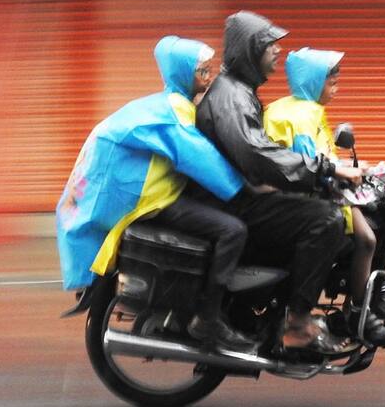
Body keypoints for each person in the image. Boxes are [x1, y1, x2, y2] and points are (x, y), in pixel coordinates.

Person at [56, 35, 256, 353]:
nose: (209, 75)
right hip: (153, 201)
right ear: (182, 74)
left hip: (158, 193)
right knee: (232, 230)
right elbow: (200, 157)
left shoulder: (165, 104)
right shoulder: (173, 113)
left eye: (209, 69)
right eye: (202, 71)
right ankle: (209, 319)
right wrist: (244, 184)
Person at [189, 11, 363, 354]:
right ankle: (296, 325)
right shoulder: (231, 97)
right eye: (269, 46)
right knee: (324, 220)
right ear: (250, 50)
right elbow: (257, 154)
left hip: (239, 195)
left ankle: (280, 310)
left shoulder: (239, 90)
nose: (277, 53)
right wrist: (324, 169)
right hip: (232, 204)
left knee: (311, 211)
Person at [263, 47, 385, 346]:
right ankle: (356, 314)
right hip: (299, 198)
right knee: (367, 239)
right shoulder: (301, 114)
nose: (336, 85)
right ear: (312, 80)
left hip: (308, 192)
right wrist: (346, 173)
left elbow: (321, 158)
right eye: (330, 80)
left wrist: (357, 169)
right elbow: (311, 162)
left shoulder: (302, 108)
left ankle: (354, 309)